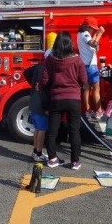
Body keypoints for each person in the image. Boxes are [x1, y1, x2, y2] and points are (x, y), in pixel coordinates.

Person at [39, 31, 87, 170]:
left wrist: (39, 87)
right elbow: (84, 80)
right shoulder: (77, 60)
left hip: (56, 98)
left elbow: (44, 80)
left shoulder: (50, 59)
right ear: (69, 43)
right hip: (74, 99)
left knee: (52, 131)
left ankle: (52, 158)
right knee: (74, 131)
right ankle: (75, 161)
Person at [77, 16, 106, 120]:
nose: (93, 30)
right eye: (92, 28)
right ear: (88, 26)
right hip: (91, 66)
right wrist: (100, 33)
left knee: (86, 89)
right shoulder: (85, 34)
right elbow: (93, 44)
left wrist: (97, 34)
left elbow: (91, 44)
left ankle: (88, 111)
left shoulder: (81, 34)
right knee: (96, 90)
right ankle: (99, 111)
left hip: (84, 66)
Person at [24, 61, 49, 162]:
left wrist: (32, 84)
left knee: (37, 128)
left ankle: (35, 151)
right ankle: (38, 153)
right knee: (42, 129)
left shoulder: (38, 66)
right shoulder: (47, 68)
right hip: (41, 102)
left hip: (34, 99)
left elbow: (26, 72)